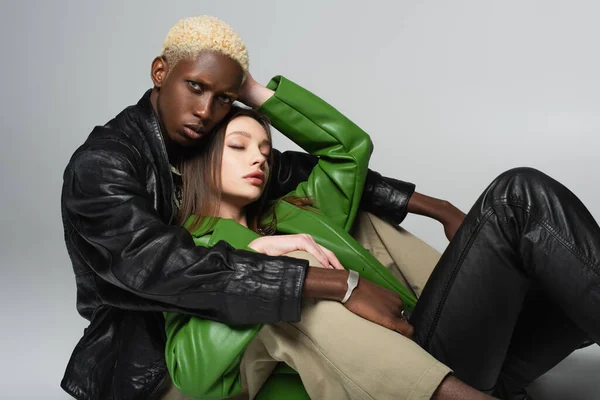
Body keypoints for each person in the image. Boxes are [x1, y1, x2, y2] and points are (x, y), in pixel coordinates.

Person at [60, 15, 467, 400]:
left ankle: (458, 337)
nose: (205, 111)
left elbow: (340, 162)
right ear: (160, 72)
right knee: (294, 294)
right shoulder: (104, 164)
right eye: (196, 87)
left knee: (349, 228)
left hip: (236, 331)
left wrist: (248, 89)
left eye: (222, 99)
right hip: (153, 364)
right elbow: (156, 265)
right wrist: (336, 282)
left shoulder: (204, 139)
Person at [164, 72, 600, 400]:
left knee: (554, 260)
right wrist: (262, 265)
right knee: (514, 198)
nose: (258, 160)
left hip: (436, 345)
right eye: (239, 146)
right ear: (200, 159)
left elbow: (348, 151)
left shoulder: (296, 210)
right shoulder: (183, 251)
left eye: (265, 151)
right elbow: (193, 371)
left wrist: (253, 90)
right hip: (393, 382)